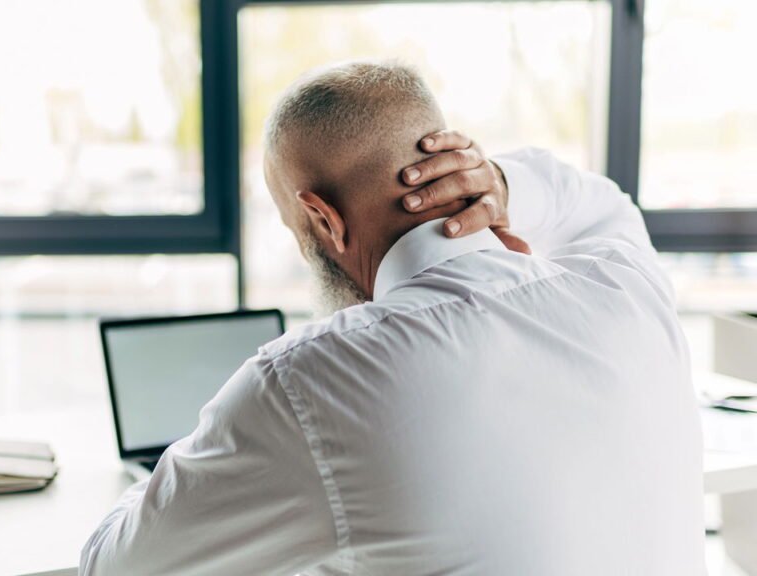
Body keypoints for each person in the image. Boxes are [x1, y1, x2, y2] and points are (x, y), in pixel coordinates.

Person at [79, 60, 705, 575]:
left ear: (323, 219)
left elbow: (115, 567)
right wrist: (502, 183)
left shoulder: (312, 380)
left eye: (295, 229)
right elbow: (604, 204)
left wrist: (187, 467)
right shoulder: (628, 285)